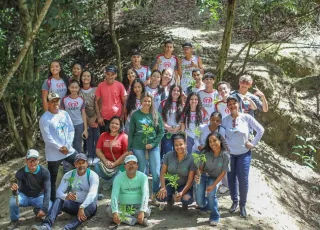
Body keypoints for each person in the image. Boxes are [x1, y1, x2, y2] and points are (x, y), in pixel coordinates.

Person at [31, 153, 99, 230]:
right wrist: (65, 197)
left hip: (87, 206)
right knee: (59, 200)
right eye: (78, 163)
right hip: (73, 205)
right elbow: (58, 192)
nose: (81, 165)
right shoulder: (69, 175)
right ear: (75, 164)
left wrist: (82, 207)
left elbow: (92, 194)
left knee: (92, 205)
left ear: (87, 163)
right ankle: (46, 226)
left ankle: (67, 228)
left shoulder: (93, 175)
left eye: (83, 162)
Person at [222, 95, 264, 218]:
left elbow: (260, 130)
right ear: (227, 107)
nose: (232, 105)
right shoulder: (225, 120)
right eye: (229, 104)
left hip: (244, 154)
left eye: (234, 103)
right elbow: (220, 134)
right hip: (230, 154)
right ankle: (234, 202)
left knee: (243, 179)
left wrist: (253, 143)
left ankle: (242, 204)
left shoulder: (247, 117)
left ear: (239, 104)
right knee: (231, 179)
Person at [39, 92, 77, 201]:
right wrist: (60, 148)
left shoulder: (64, 114)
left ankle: (79, 190)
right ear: (48, 103)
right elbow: (47, 138)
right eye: (53, 101)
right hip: (54, 154)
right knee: (52, 178)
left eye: (57, 100)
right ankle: (52, 201)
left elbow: (71, 130)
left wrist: (67, 145)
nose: (56, 103)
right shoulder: (44, 118)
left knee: (81, 163)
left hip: (68, 150)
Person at [128, 92, 164, 201]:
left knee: (156, 172)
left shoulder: (156, 114)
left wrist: (153, 144)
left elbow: (161, 132)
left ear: (151, 102)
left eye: (149, 101)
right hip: (138, 146)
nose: (147, 103)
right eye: (145, 101)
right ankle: (143, 194)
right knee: (141, 171)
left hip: (153, 146)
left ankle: (155, 194)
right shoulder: (135, 115)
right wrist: (129, 148)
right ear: (141, 101)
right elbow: (131, 132)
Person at [7, 149, 51, 230]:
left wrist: (44, 209)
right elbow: (16, 193)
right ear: (26, 161)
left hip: (39, 196)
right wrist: (14, 190)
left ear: (38, 160)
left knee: (50, 206)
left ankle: (38, 211)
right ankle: (14, 221)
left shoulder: (44, 172)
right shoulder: (20, 173)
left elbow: (48, 191)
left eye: (34, 160)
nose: (32, 162)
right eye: (29, 160)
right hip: (24, 197)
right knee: (13, 201)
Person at [195, 132, 230, 226]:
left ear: (220, 141)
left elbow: (223, 173)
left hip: (215, 177)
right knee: (199, 202)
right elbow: (201, 167)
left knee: (211, 194)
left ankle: (215, 216)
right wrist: (198, 174)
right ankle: (206, 205)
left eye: (214, 140)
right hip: (203, 175)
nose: (212, 143)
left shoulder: (225, 155)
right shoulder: (205, 152)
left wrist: (213, 185)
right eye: (210, 141)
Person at [107, 155, 150, 226]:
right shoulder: (118, 178)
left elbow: (145, 194)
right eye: (128, 164)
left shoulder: (143, 177)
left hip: (137, 206)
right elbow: (114, 195)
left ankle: (123, 219)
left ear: (137, 166)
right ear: (124, 166)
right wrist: (115, 212)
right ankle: (135, 220)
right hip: (123, 206)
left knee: (146, 212)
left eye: (133, 163)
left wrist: (142, 211)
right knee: (110, 211)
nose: (131, 166)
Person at [157, 135, 196, 210]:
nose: (179, 147)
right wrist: (163, 187)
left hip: (184, 185)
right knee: (160, 197)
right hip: (170, 183)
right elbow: (162, 172)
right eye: (176, 145)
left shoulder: (191, 159)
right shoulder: (168, 155)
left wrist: (182, 192)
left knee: (187, 199)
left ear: (185, 144)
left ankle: (184, 203)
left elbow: (190, 179)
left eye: (181, 144)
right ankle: (170, 199)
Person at [94, 116, 129, 190]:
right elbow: (98, 150)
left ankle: (110, 182)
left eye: (117, 124)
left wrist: (115, 163)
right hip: (106, 164)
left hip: (119, 165)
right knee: (96, 166)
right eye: (112, 123)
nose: (114, 125)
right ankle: (112, 181)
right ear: (109, 124)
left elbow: (126, 153)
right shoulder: (103, 135)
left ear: (120, 126)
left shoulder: (124, 137)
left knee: (122, 172)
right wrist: (105, 161)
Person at [95, 65, 127, 134]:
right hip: (104, 119)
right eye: (108, 74)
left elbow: (125, 102)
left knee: (118, 141)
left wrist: (122, 117)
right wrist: (99, 116)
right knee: (105, 141)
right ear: (105, 74)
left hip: (117, 119)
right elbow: (96, 100)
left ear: (116, 75)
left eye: (112, 74)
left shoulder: (120, 85)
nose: (110, 76)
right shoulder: (101, 85)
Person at [61, 80, 88, 153]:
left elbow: (83, 114)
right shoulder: (64, 99)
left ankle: (78, 161)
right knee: (67, 143)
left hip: (79, 124)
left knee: (78, 144)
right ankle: (67, 163)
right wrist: (62, 126)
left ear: (79, 88)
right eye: (72, 87)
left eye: (76, 87)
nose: (74, 89)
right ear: (69, 88)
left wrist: (85, 129)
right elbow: (61, 114)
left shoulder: (81, 100)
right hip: (68, 125)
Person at [79, 70, 100, 165]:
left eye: (88, 76)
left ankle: (96, 155)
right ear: (81, 77)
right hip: (85, 118)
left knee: (97, 136)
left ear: (91, 78)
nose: (86, 78)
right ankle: (90, 155)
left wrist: (95, 118)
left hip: (96, 117)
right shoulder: (78, 91)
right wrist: (88, 120)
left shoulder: (96, 89)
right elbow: (80, 108)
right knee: (88, 136)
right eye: (84, 76)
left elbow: (100, 104)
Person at [158, 84, 183, 159]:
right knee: (168, 152)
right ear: (170, 91)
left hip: (178, 133)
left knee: (178, 153)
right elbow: (159, 117)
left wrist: (178, 127)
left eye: (178, 91)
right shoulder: (163, 103)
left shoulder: (183, 104)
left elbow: (184, 120)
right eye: (174, 90)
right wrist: (167, 127)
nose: (176, 92)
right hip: (167, 132)